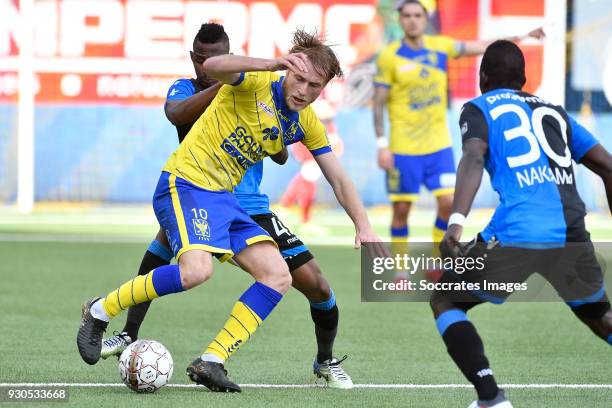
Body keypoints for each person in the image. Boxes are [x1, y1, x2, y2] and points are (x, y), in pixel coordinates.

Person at [77, 28, 384, 393]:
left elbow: (338, 177)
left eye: (315, 85)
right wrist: (271, 63)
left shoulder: (305, 122)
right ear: (287, 69)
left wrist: (363, 226)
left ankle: (212, 360)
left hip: (224, 199)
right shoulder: (254, 81)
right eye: (299, 78)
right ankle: (100, 311)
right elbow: (216, 65)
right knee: (196, 272)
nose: (304, 90)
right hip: (186, 182)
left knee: (277, 275)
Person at [431, 40, 612, 408]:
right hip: (571, 232)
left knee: (446, 299)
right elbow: (607, 166)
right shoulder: (555, 111)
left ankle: (491, 399)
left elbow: (473, 156)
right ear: (524, 79)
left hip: (519, 232)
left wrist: (455, 222)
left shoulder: (478, 108)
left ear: (483, 77)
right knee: (598, 316)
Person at [372, 0, 544, 278]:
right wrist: (382, 144)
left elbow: (481, 46)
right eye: (407, 16)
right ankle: (400, 270)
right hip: (403, 148)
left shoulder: (441, 46)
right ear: (400, 20)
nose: (413, 20)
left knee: (447, 204)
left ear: (426, 19)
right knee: (401, 209)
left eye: (418, 15)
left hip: (438, 146)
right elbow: (378, 104)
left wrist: (522, 37)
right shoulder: (388, 57)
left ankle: (436, 262)